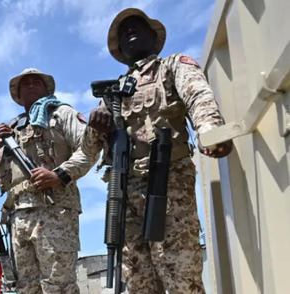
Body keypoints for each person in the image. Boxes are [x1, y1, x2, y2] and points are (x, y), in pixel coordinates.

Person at [84, 8, 234, 294]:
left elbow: (197, 94)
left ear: (154, 37)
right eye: (123, 30)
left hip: (168, 184)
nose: (130, 31)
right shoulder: (114, 91)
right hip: (125, 193)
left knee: (180, 274)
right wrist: (96, 124)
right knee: (139, 281)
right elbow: (88, 148)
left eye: (137, 26)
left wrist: (209, 131)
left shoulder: (172, 65)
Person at [0, 68, 98, 294]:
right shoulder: (11, 129)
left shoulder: (61, 113)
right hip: (19, 215)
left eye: (37, 81)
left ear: (47, 88)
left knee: (59, 285)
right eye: (24, 83)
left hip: (55, 210)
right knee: (26, 288)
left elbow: (89, 147)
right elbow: (1, 179)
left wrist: (60, 175)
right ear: (17, 93)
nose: (31, 85)